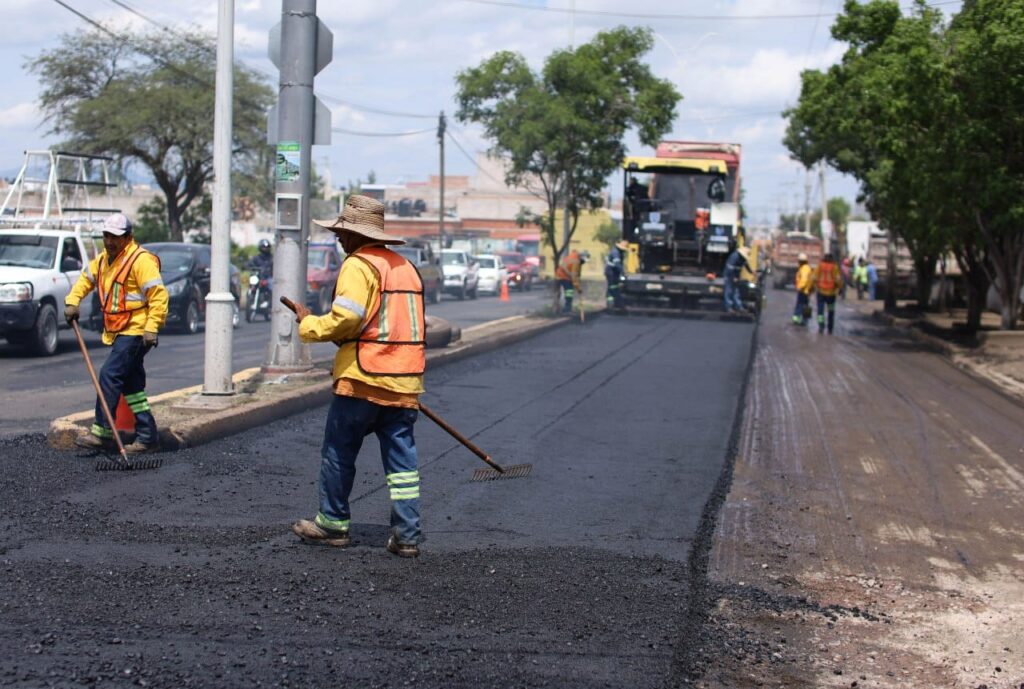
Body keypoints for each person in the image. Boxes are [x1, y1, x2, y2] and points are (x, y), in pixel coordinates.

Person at [290, 195, 427, 558]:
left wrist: (309, 324)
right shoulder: (405, 267)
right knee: (402, 463)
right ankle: (407, 536)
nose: (338, 239)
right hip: (404, 380)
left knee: (339, 450)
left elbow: (348, 319)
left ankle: (333, 524)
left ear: (354, 235)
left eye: (341, 233)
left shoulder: (358, 265)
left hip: (362, 380)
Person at [64, 213, 168, 453]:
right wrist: (73, 301)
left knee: (109, 375)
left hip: (137, 330)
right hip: (119, 330)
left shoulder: (140, 261)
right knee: (131, 386)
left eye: (116, 237)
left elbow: (158, 296)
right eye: (107, 236)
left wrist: (152, 327)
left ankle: (102, 432)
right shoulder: (103, 260)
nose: (110, 241)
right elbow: (85, 280)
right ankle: (147, 437)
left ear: (128, 237)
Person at [812, 253, 843, 334]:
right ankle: (830, 328)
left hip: (821, 292)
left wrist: (813, 287)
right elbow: (838, 279)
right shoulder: (834, 267)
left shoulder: (820, 266)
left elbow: (814, 277)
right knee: (831, 311)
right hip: (831, 294)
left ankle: (821, 326)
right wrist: (840, 288)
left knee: (820, 311)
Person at [555, 248, 589, 313]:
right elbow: (574, 277)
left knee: (568, 292)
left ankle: (567, 308)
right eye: (583, 261)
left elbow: (577, 274)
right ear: (582, 258)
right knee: (569, 292)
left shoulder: (574, 256)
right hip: (563, 276)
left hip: (561, 275)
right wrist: (578, 288)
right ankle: (567, 309)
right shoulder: (576, 261)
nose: (583, 263)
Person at [723, 244, 753, 313]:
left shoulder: (742, 258)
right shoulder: (735, 257)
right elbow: (730, 268)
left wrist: (751, 272)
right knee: (729, 290)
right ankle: (729, 307)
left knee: (736, 291)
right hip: (729, 275)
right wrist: (734, 277)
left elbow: (746, 265)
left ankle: (739, 307)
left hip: (736, 275)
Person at [604, 240, 628, 309]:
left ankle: (614, 303)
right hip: (610, 272)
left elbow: (620, 264)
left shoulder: (620, 253)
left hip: (614, 272)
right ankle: (611, 304)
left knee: (613, 287)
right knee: (612, 287)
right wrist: (623, 272)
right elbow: (617, 264)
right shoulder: (615, 252)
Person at [792, 252, 814, 325]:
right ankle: (804, 320)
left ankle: (798, 320)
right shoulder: (806, 267)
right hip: (806, 290)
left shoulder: (804, 268)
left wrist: (800, 287)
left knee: (800, 305)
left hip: (803, 290)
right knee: (805, 306)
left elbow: (804, 280)